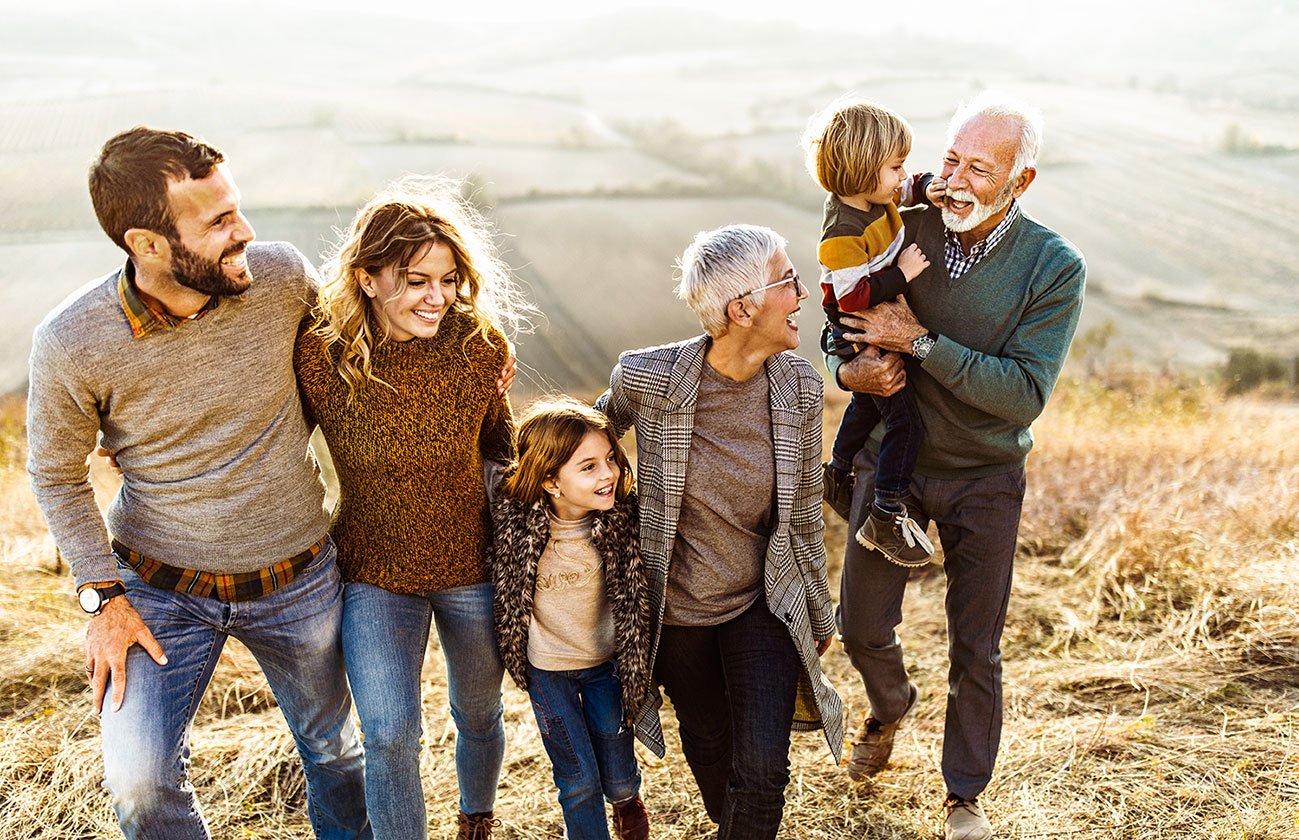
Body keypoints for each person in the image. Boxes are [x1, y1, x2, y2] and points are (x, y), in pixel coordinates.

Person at [25, 127, 370, 839]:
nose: (244, 232)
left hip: (299, 580)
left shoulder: (281, 278)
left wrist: (473, 360)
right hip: (155, 594)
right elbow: (55, 475)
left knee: (337, 754)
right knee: (140, 784)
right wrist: (103, 599)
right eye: (217, 222)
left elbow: (354, 368)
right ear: (146, 244)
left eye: (237, 208)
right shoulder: (73, 340)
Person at [828, 92, 1086, 840]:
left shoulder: (1052, 266)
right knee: (860, 626)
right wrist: (849, 376)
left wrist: (920, 344)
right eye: (949, 159)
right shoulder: (905, 224)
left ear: (1020, 181)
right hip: (891, 469)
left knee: (976, 645)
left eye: (979, 167)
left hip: (984, 475)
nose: (956, 180)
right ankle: (888, 705)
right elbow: (840, 318)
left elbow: (1022, 395)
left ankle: (962, 797)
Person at [294, 176, 528, 840]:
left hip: (472, 569)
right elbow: (272, 437)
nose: (437, 296)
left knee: (478, 713)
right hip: (372, 572)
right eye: (415, 279)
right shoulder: (322, 356)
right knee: (390, 733)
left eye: (448, 279)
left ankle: (474, 819)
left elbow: (497, 447)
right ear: (367, 279)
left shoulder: (478, 347)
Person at [595, 224, 843, 840]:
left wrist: (817, 612)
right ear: (742, 309)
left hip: (762, 600)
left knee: (762, 771)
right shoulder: (650, 379)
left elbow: (806, 512)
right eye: (788, 282)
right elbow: (586, 436)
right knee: (708, 749)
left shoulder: (799, 387)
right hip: (675, 612)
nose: (803, 294)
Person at [487, 396, 658, 840]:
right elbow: (484, 452)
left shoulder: (624, 518)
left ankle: (626, 800)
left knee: (617, 772)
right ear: (549, 481)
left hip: (606, 666)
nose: (608, 475)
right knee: (578, 779)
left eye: (610, 460)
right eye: (588, 467)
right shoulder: (514, 521)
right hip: (549, 672)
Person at [801, 97, 947, 567]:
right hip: (856, 327)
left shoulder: (874, 198)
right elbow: (851, 299)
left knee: (866, 405)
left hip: (870, 317)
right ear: (864, 170)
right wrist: (901, 274)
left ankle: (836, 473)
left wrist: (929, 186)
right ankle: (886, 513)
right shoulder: (841, 233)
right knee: (904, 422)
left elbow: (903, 195)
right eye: (896, 167)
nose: (902, 177)